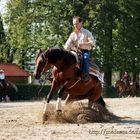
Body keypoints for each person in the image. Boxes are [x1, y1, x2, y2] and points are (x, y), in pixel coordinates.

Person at [64, 16, 96, 81]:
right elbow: (67, 45)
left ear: (81, 23)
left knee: (85, 57)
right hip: (74, 51)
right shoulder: (72, 34)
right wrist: (66, 49)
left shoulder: (87, 32)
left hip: (84, 51)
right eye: (74, 24)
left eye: (76, 24)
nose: (75, 25)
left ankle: (86, 75)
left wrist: (82, 44)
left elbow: (93, 43)